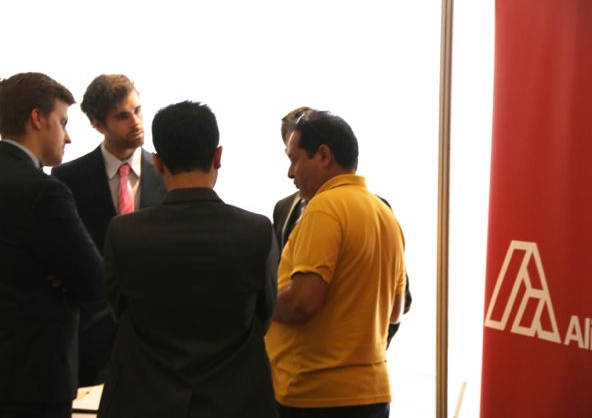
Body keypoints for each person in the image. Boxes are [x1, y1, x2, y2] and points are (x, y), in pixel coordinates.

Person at [97, 101, 279, 418]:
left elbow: (118, 309)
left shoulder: (124, 232)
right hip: (235, 400)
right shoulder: (257, 231)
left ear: (158, 163)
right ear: (217, 156)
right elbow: (264, 315)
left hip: (144, 399)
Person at [0, 72, 103, 418]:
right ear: (37, 118)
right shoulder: (43, 191)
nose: (68, 137)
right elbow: (94, 280)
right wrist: (66, 276)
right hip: (33, 381)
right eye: (62, 122)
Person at [265, 110, 406, 418]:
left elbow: (303, 303)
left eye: (295, 159)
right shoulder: (384, 215)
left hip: (316, 394)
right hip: (372, 392)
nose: (290, 173)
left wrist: (257, 304)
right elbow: (395, 311)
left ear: (324, 156)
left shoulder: (324, 208)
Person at [51, 74, 167, 386]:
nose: (136, 122)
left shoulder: (168, 173)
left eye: (138, 110)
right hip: (92, 338)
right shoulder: (68, 179)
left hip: (160, 336)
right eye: (122, 116)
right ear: (98, 124)